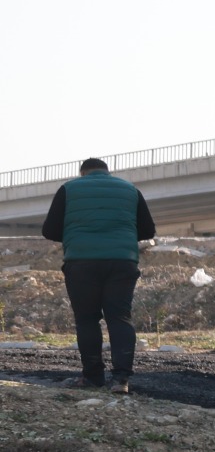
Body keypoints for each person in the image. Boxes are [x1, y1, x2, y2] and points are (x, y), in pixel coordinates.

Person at [38, 157, 155, 393]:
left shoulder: (68, 189)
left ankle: (92, 377)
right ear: (107, 172)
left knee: (87, 319)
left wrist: (77, 235)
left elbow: (49, 230)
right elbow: (148, 230)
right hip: (122, 262)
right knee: (120, 317)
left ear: (83, 173)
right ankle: (121, 380)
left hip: (81, 262)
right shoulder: (130, 190)